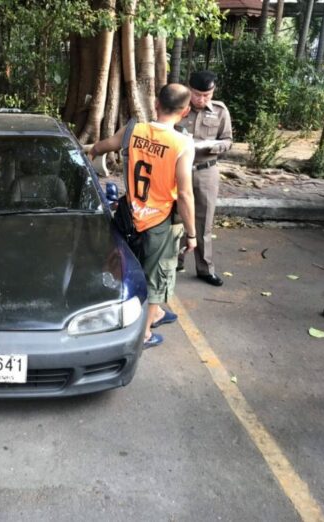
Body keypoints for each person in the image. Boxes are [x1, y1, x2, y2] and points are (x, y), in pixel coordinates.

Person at [88, 84, 197, 349]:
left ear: (156, 104)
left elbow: (103, 146)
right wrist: (192, 234)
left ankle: (155, 314)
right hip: (159, 220)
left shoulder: (133, 130)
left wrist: (91, 152)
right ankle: (144, 334)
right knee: (157, 277)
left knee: (124, 265)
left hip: (129, 213)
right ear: (185, 112)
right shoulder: (182, 143)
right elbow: (184, 194)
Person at [178, 70, 233, 286]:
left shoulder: (220, 111)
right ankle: (176, 261)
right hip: (179, 169)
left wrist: (212, 145)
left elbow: (228, 141)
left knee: (204, 221)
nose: (201, 99)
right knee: (175, 218)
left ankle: (205, 268)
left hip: (206, 170)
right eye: (197, 94)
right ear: (188, 89)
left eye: (206, 95)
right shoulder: (178, 108)